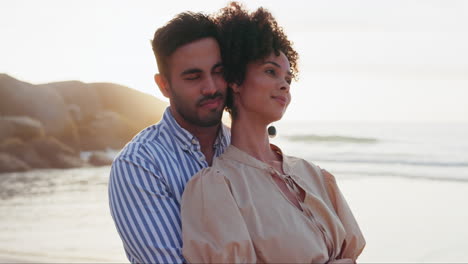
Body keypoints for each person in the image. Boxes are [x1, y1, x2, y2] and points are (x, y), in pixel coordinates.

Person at [181, 3, 366, 263]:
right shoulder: (217, 187)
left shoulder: (314, 175)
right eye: (270, 72)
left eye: (288, 79)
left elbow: (351, 253)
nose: (284, 85)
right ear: (235, 81)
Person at [108, 12, 230, 264]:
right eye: (193, 77)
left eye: (218, 71)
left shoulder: (242, 147)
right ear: (164, 85)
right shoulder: (139, 164)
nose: (211, 87)